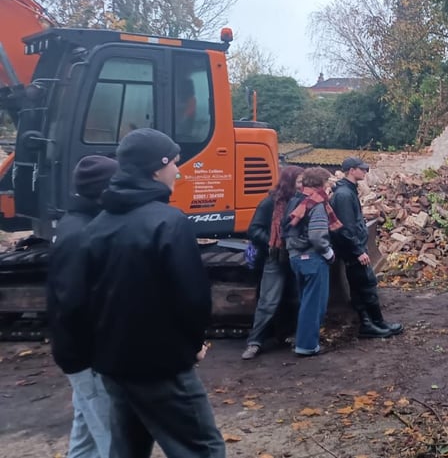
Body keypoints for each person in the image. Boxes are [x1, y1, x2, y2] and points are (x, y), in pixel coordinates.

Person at [82, 128, 224, 457]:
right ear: (156, 168)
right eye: (174, 162)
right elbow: (193, 298)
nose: (180, 170)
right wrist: (192, 347)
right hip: (161, 367)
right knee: (202, 448)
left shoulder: (98, 225)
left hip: (114, 366)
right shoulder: (169, 222)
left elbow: (83, 297)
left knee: (128, 449)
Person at [48, 155, 118, 458]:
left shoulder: (79, 223)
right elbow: (74, 305)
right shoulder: (82, 234)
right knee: (113, 439)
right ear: (104, 190)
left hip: (81, 357)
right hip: (90, 359)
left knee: (86, 433)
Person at [330, 157, 403, 339]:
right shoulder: (344, 195)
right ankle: (371, 324)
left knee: (360, 287)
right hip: (353, 251)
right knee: (366, 285)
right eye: (362, 169)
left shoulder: (348, 192)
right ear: (351, 170)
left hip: (354, 249)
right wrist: (358, 251)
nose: (365, 172)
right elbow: (346, 227)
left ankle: (373, 323)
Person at [241, 165, 303, 360]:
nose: (302, 185)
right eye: (299, 181)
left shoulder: (301, 202)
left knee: (295, 298)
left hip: (294, 257)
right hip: (274, 258)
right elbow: (254, 230)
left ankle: (287, 335)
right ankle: (255, 341)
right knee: (268, 301)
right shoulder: (269, 203)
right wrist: (273, 242)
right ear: (289, 182)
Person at [284, 167, 342, 356]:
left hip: (295, 257)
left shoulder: (295, 200)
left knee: (306, 301)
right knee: (314, 304)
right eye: (328, 183)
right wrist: (328, 252)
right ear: (321, 184)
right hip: (311, 259)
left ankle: (304, 341)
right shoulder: (315, 204)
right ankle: (307, 346)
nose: (329, 187)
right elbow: (317, 235)